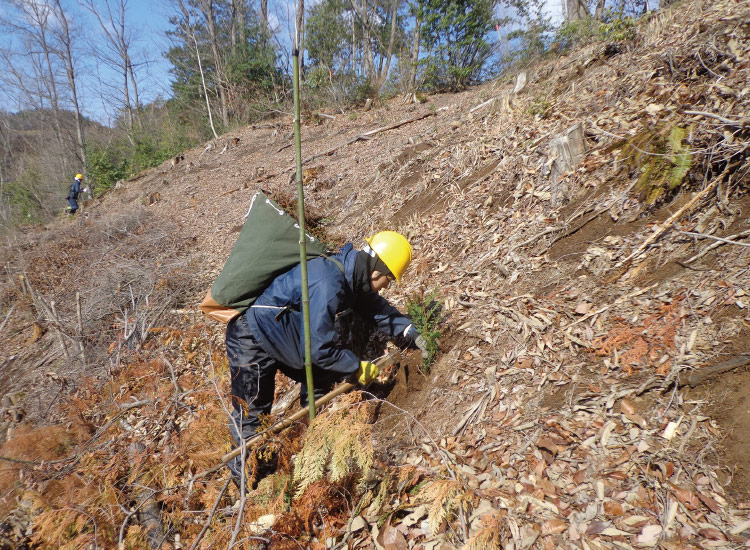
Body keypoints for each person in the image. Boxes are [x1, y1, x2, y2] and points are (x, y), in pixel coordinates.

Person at [225, 230, 429, 485]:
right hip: (250, 337)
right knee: (252, 414)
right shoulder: (330, 282)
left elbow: (376, 308)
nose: (386, 286)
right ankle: (251, 487)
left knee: (321, 376)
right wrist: (356, 367)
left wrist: (412, 332)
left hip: (281, 332)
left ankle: (315, 443)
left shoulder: (351, 276)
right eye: (388, 280)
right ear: (377, 269)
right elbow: (318, 350)